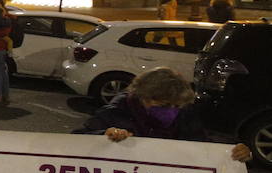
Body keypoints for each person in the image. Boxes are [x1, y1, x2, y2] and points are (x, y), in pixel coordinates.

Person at [76, 67, 252, 162]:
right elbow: (75, 141)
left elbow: (201, 143)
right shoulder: (116, 113)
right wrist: (104, 135)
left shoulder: (184, 114)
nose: (171, 110)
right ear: (143, 97)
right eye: (164, 104)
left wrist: (234, 151)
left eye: (176, 105)